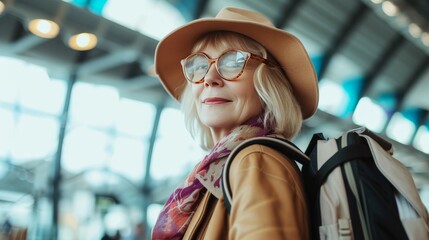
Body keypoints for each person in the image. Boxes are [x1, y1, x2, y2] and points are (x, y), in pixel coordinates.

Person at [152, 7, 318, 240]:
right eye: (199, 65)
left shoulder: (256, 161)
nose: (209, 78)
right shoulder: (224, 169)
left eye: (232, 62)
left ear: (268, 84)